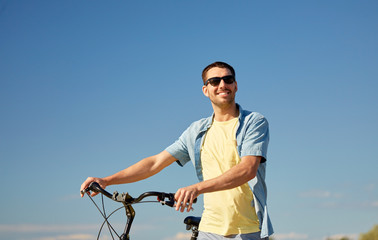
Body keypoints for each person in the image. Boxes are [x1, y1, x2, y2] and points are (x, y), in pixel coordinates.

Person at [80, 61, 274, 240]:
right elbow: (155, 163)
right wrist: (106, 180)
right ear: (205, 90)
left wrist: (196, 188)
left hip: (249, 229)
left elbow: (247, 170)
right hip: (210, 228)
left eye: (228, 79)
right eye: (215, 81)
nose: (222, 84)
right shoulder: (196, 131)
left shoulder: (253, 122)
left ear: (235, 86)